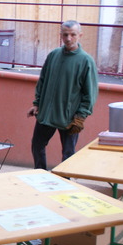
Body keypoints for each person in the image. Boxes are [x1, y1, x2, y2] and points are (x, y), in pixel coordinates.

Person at [27, 20, 98, 170]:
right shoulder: (53, 55)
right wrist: (37, 103)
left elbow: (89, 93)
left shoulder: (86, 61)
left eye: (73, 35)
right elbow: (42, 80)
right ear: (61, 35)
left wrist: (81, 116)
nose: (68, 38)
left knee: (68, 153)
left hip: (69, 118)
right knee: (37, 145)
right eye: (65, 35)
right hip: (46, 114)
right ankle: (40, 174)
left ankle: (66, 181)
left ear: (80, 35)